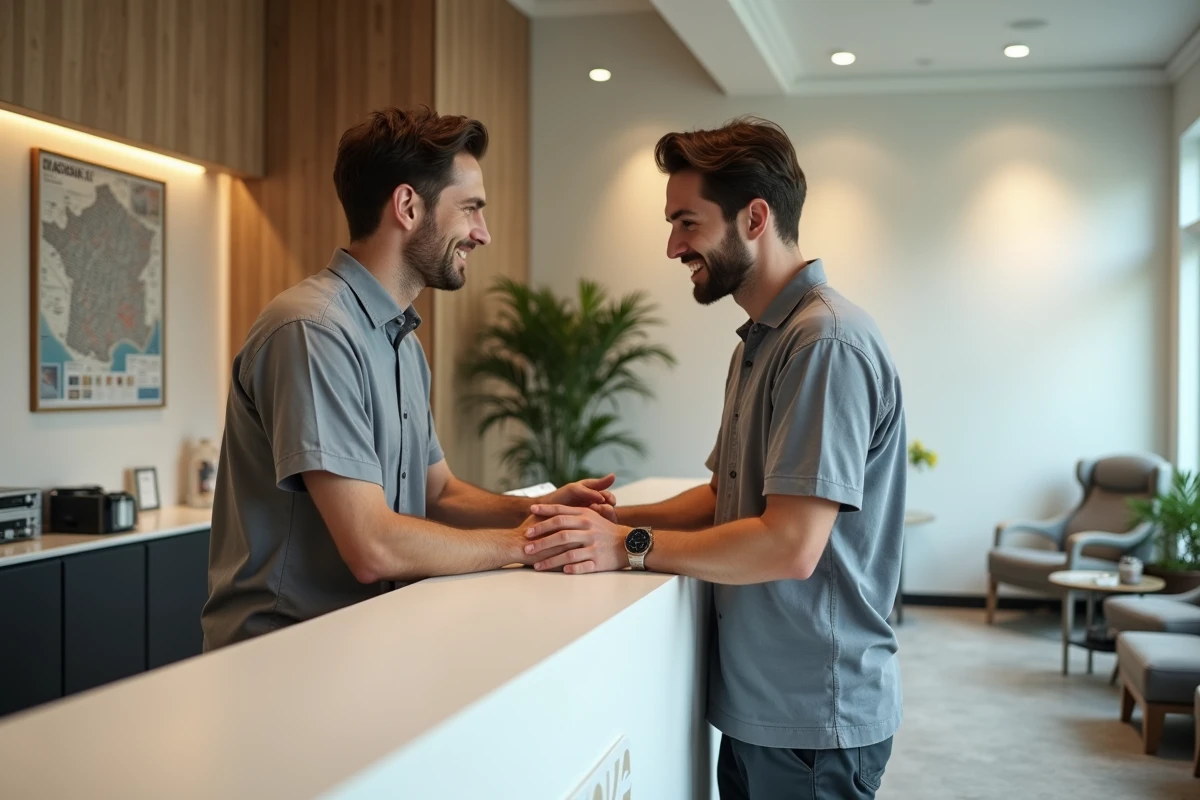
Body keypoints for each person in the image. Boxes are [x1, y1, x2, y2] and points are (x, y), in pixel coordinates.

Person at [523, 117, 906, 799]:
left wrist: (630, 547)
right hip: (766, 708)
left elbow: (790, 544)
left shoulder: (824, 343)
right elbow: (723, 495)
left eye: (687, 222)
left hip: (812, 720)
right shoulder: (761, 340)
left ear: (754, 217)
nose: (672, 245)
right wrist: (605, 518)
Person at [202, 107, 613, 651]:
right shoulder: (313, 330)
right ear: (408, 206)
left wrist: (540, 511)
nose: (482, 234)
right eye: (470, 209)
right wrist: (524, 545)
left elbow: (437, 491)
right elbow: (372, 545)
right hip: (285, 658)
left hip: (367, 645)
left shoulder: (402, 342)